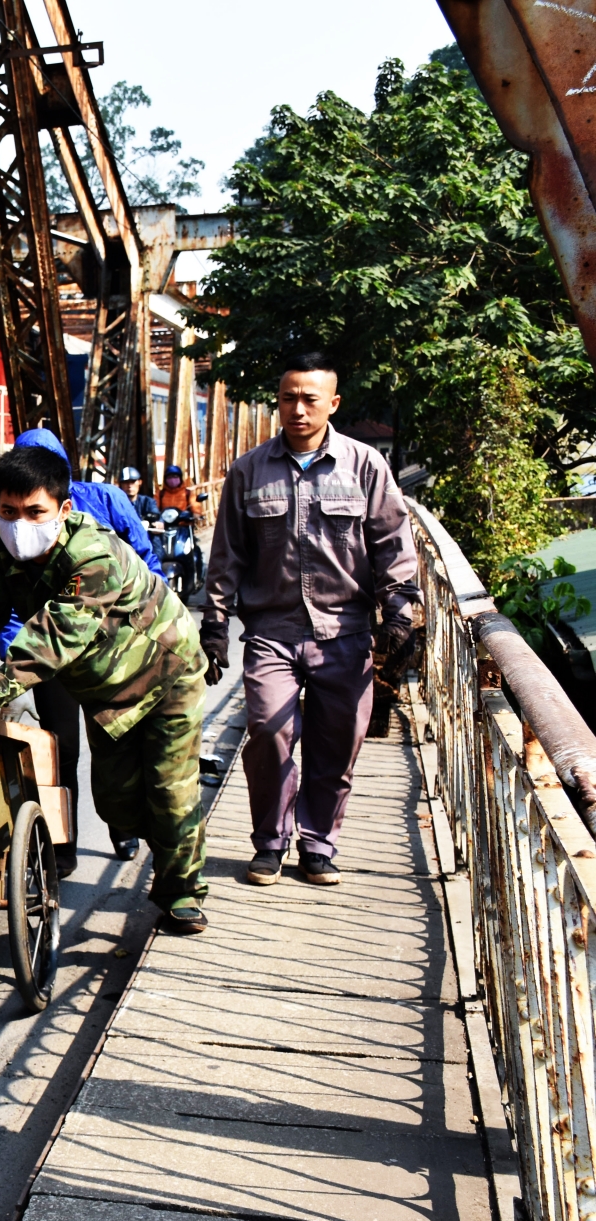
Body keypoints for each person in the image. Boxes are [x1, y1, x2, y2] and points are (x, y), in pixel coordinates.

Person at [0, 443, 211, 935]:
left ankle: (181, 890)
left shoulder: (93, 554)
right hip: (104, 689)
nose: (19, 525)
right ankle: (161, 837)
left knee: (169, 790)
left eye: (35, 512)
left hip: (166, 674)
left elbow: (53, 639)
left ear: (63, 509)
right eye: (8, 512)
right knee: (115, 802)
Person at [202, 352, 418, 887]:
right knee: (268, 735)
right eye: (287, 398)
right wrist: (213, 626)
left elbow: (393, 543)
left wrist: (399, 613)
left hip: (345, 632)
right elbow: (226, 555)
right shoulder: (249, 470)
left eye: (309, 399)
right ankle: (270, 843)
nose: (297, 409)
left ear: (333, 403)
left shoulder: (365, 466)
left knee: (337, 743)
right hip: (271, 633)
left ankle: (318, 843)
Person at [0, 427, 163, 873]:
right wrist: (14, 659)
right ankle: (61, 843)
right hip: (53, 651)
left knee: (117, 742)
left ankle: (123, 826)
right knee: (61, 749)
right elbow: (11, 606)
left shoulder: (106, 502)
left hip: (112, 649)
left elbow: (147, 561)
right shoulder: (11, 526)